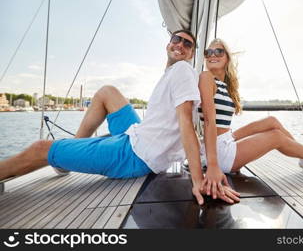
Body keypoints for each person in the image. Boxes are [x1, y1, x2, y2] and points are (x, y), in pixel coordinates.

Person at [0, 30, 240, 205]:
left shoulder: (183, 70)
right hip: (138, 134)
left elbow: (186, 122)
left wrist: (198, 179)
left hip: (134, 155)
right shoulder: (173, 72)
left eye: (187, 44)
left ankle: (60, 155)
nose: (180, 44)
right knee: (107, 92)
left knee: (40, 148)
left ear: (191, 53)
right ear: (168, 44)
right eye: (176, 39)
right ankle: (69, 154)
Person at [198, 38, 303, 195]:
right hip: (218, 154)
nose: (212, 55)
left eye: (218, 51)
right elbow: (209, 122)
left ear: (227, 58)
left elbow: (218, 122)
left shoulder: (223, 85)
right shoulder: (206, 77)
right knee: (276, 136)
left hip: (224, 141)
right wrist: (212, 165)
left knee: (272, 121)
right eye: (208, 52)